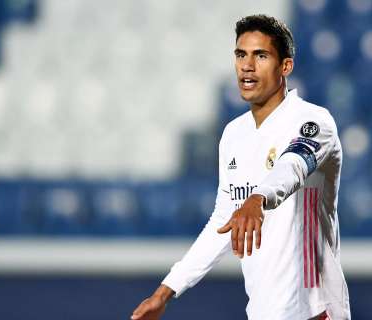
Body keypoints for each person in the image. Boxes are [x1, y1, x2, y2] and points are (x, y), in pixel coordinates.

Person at [131, 14, 350, 320]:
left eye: (261, 55)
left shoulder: (313, 122)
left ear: (285, 66)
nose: (247, 65)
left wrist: (257, 198)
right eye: (240, 54)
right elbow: (223, 221)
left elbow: (294, 165)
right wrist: (166, 291)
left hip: (315, 312)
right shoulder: (234, 135)